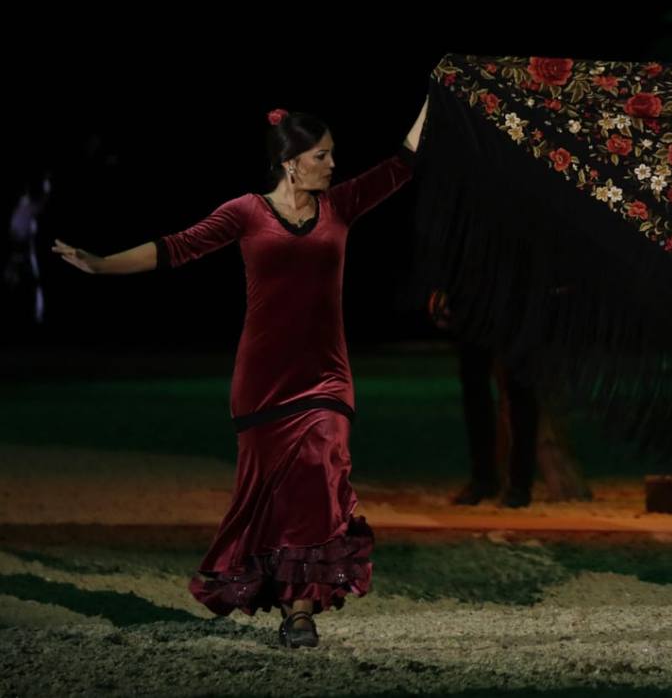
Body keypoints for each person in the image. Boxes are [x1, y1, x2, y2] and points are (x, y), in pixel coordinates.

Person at [52, 100, 427, 647]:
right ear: (291, 161)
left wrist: (435, 95)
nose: (333, 164)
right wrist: (103, 264)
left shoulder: (340, 207)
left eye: (332, 154)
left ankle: (301, 610)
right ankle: (276, 591)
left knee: (321, 472)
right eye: (323, 155)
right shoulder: (246, 212)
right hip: (264, 380)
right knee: (271, 498)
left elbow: (403, 162)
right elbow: (177, 247)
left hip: (326, 377)